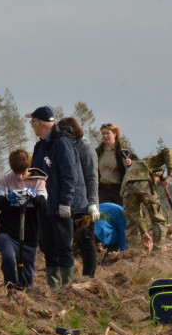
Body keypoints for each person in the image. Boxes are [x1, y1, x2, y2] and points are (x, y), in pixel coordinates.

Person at [29, 106, 87, 289]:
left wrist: (65, 202)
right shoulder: (40, 146)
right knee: (48, 246)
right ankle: (53, 288)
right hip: (44, 205)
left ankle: (67, 289)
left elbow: (69, 175)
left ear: (40, 123)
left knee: (63, 247)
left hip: (60, 205)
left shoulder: (62, 143)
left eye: (32, 122)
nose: (31, 126)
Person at [0, 149, 48, 289]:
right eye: (16, 173)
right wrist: (8, 198)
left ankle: (24, 292)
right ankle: (11, 287)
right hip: (8, 230)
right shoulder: (5, 180)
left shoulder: (38, 181)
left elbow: (42, 204)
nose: (20, 177)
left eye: (23, 172)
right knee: (8, 258)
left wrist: (33, 196)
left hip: (30, 231)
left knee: (27, 269)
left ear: (28, 168)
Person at [59, 117, 101, 278]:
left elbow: (92, 178)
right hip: (70, 204)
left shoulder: (86, 149)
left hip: (84, 205)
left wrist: (93, 203)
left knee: (87, 242)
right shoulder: (66, 149)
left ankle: (89, 277)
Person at [121, 145, 172, 251]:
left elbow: (138, 216)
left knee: (132, 222)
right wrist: (169, 177)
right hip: (143, 184)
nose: (158, 181)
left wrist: (143, 232)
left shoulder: (134, 167)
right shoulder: (150, 161)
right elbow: (168, 151)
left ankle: (132, 252)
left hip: (127, 187)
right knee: (157, 218)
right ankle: (159, 251)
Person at [95, 124, 133, 205]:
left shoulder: (124, 152)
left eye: (107, 133)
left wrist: (131, 163)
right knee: (104, 214)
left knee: (119, 214)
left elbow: (138, 164)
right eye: (103, 133)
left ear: (115, 134)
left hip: (119, 190)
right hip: (102, 190)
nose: (105, 136)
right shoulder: (97, 152)